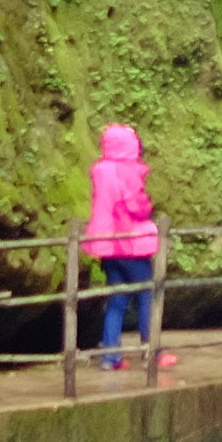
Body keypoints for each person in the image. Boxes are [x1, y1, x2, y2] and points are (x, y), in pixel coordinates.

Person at [82, 122, 168, 379]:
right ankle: (151, 350)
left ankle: (111, 356)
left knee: (117, 300)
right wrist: (147, 206)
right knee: (147, 295)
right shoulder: (126, 171)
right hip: (130, 243)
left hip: (107, 245)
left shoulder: (100, 171)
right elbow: (136, 205)